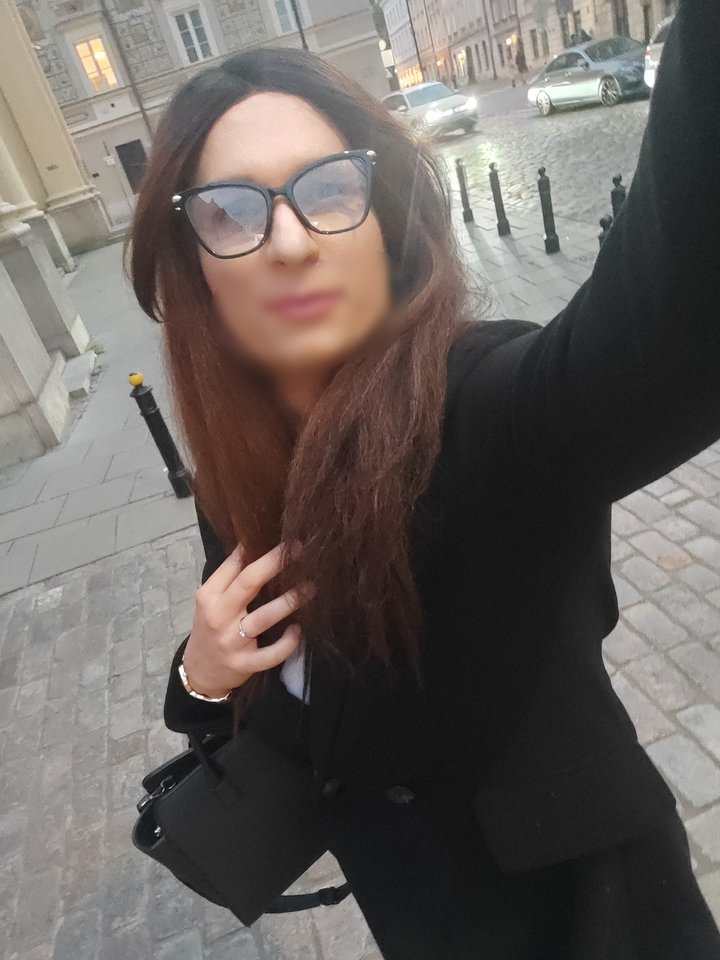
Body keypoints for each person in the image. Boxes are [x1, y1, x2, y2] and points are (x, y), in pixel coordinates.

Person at [128, 0, 720, 954]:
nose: (289, 242)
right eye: (232, 210)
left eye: (328, 190)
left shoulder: (481, 406)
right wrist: (201, 675)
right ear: (195, 265)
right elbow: (284, 711)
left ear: (381, 217)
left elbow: (673, 325)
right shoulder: (236, 475)